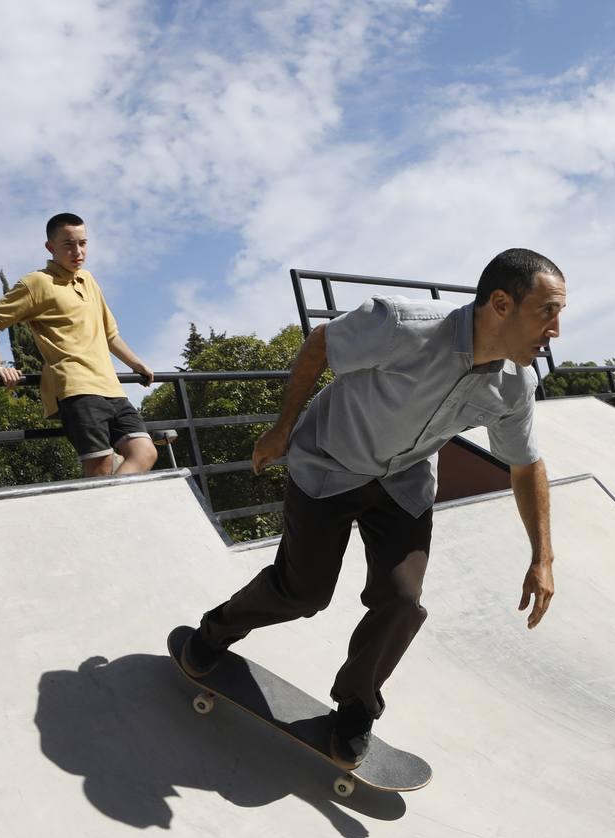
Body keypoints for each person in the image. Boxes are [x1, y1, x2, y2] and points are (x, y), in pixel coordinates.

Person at [179, 248, 565, 767]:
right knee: (303, 593)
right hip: (329, 463)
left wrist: (542, 556)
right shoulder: (402, 325)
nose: (556, 329)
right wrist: (282, 428)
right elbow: (321, 345)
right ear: (500, 304)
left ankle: (357, 705)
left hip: (402, 484)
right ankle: (218, 628)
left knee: (402, 599)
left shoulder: (514, 385)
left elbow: (525, 465)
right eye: (547, 311)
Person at [0, 213, 158, 477]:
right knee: (99, 467)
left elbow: (110, 335)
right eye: (68, 245)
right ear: (50, 247)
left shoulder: (89, 280)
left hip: (111, 387)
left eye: (83, 243)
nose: (78, 251)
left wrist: (136, 363)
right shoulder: (36, 283)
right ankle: (105, 510)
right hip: (76, 388)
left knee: (144, 452)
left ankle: (108, 508)